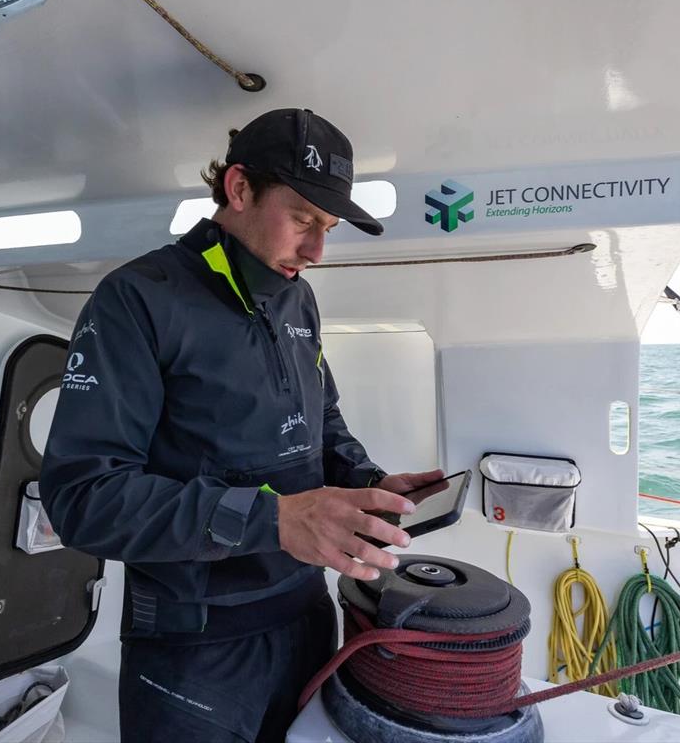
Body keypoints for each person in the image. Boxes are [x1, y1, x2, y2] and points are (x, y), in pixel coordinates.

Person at [39, 108, 442, 743]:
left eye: (328, 228)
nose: (315, 251)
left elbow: (320, 421)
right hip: (195, 653)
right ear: (238, 188)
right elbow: (83, 499)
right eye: (304, 220)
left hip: (309, 623)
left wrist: (367, 481)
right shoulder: (138, 299)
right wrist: (277, 519)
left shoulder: (297, 295)